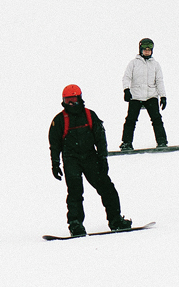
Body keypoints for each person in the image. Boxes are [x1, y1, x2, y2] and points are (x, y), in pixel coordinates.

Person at [48, 84, 131, 237]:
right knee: (75, 192)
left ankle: (116, 220)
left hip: (91, 158)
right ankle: (75, 224)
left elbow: (100, 138)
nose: (72, 104)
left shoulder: (90, 115)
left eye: (74, 99)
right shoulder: (59, 120)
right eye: (68, 101)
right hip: (71, 159)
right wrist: (55, 163)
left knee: (107, 188)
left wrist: (103, 158)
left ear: (80, 98)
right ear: (63, 101)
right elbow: (54, 144)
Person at [120, 38, 168, 151]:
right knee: (130, 120)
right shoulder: (133, 63)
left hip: (151, 95)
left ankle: (162, 141)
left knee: (156, 119)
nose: (147, 52)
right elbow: (126, 77)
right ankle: (126, 143)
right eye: (145, 50)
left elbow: (159, 81)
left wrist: (163, 96)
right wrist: (126, 90)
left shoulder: (156, 65)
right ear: (140, 50)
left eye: (149, 50)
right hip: (136, 96)